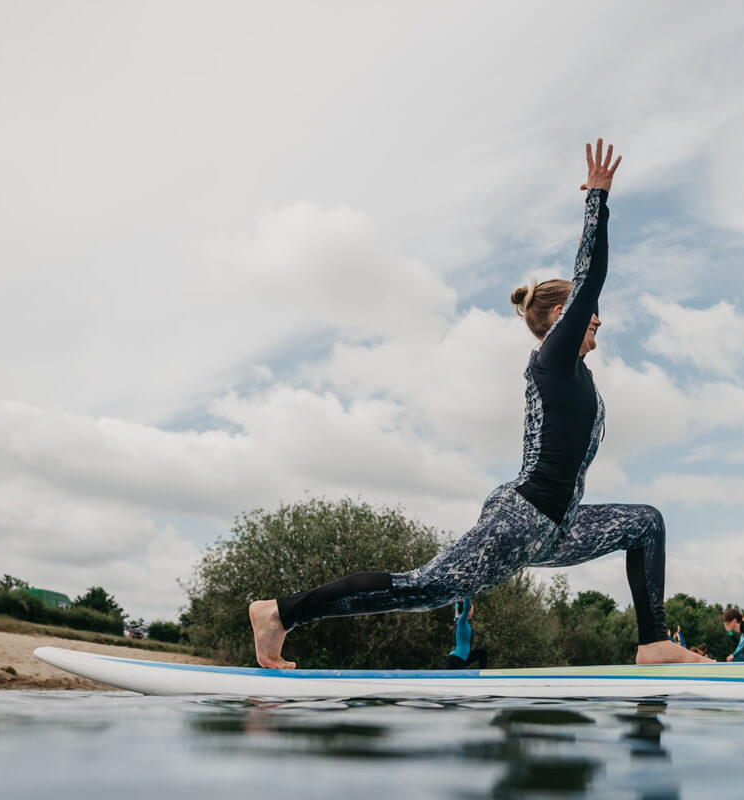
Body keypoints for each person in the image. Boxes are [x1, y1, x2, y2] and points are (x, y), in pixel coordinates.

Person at [247, 140, 709, 669]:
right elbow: (591, 278)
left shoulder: (576, 373)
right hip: (524, 517)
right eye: (588, 313)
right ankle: (280, 614)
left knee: (645, 522)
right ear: (563, 315)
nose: (598, 319)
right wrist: (597, 201)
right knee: (425, 588)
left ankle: (652, 643)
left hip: (558, 524)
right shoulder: (552, 360)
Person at [444, 597, 487, 669]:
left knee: (482, 653)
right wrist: (467, 593)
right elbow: (466, 607)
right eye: (472, 609)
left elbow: (457, 605)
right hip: (456, 659)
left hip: (464, 658)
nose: (473, 611)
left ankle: (483, 673)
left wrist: (459, 594)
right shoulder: (461, 622)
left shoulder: (459, 620)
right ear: (469, 611)